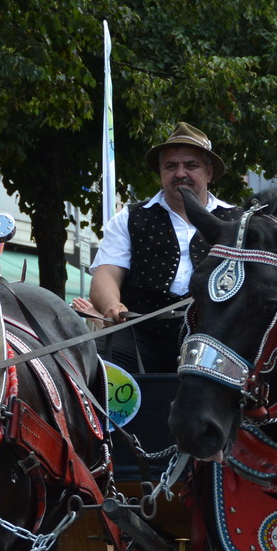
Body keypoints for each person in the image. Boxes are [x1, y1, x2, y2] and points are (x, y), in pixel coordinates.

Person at [85, 123, 236, 373]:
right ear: (160, 172)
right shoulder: (129, 217)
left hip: (214, 337)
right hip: (139, 335)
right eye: (171, 166)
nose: (180, 173)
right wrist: (112, 304)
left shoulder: (238, 221)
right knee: (93, 366)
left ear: (209, 172)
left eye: (191, 165)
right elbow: (107, 273)